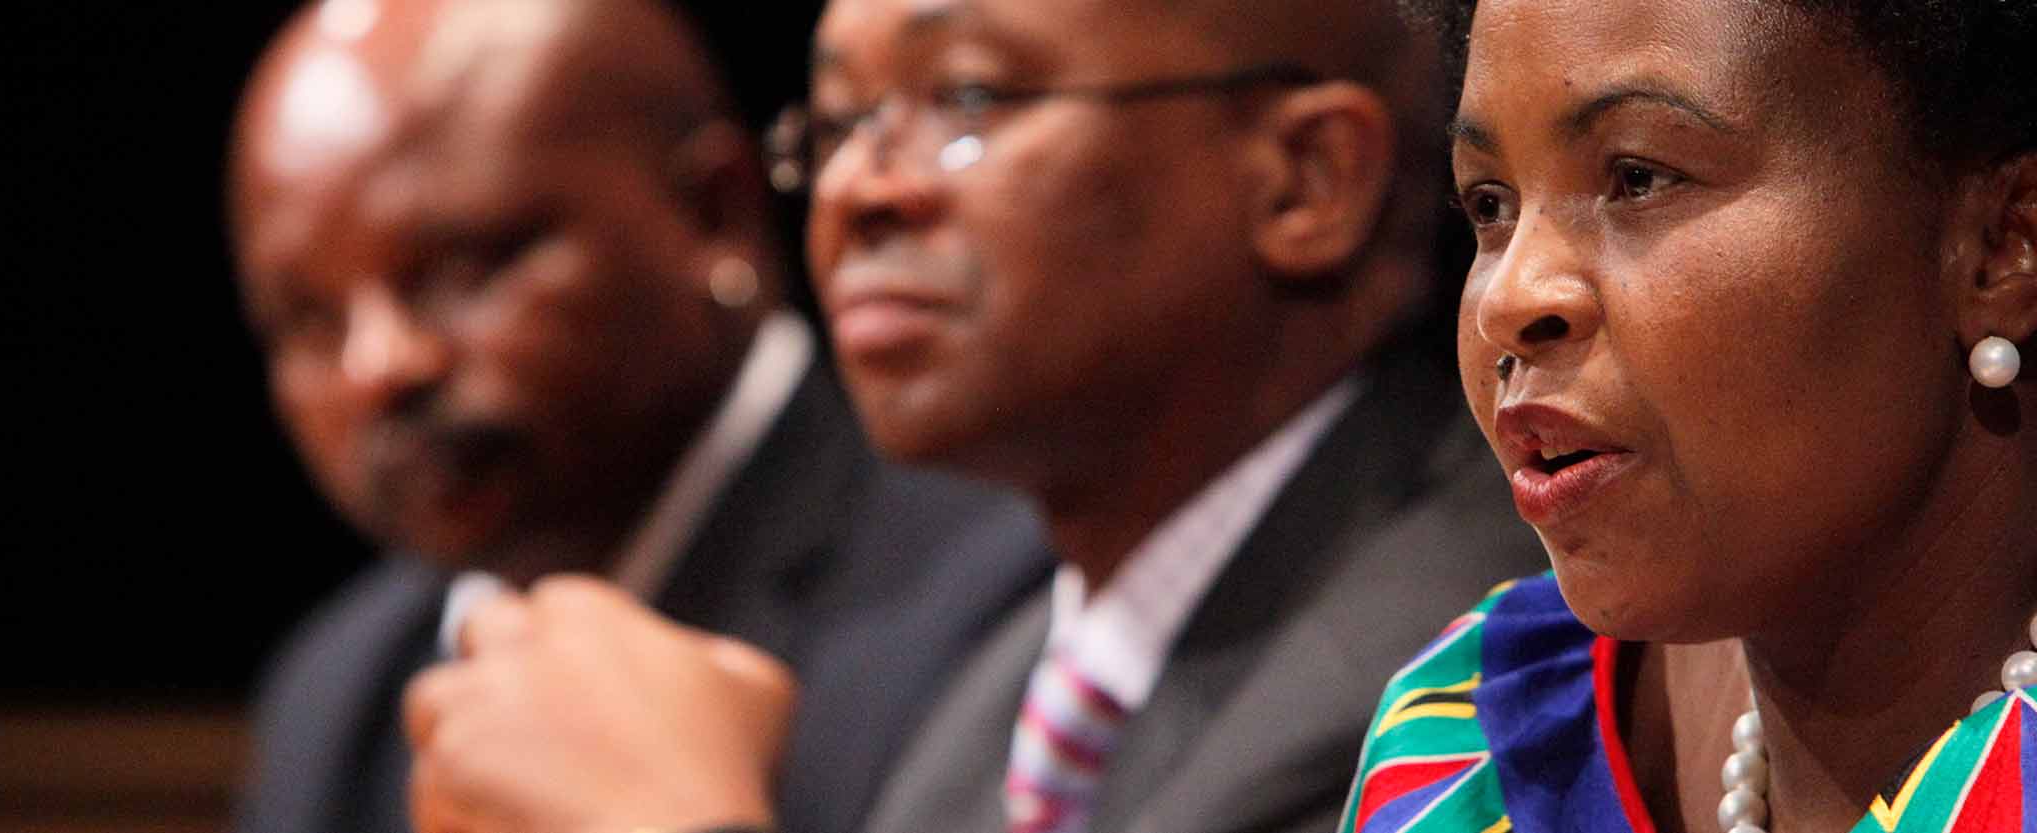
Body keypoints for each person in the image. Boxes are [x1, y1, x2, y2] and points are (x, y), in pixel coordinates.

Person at [396, 0, 1548, 831]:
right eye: (840, 121)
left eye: (967, 96)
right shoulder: (1006, 681)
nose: (859, 189)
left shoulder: (1482, 680)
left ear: (1306, 179)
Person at [1341, 1, 2037, 832]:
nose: (1509, 298)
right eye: (1489, 203)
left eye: (1639, 176)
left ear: (2008, 243)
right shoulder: (1477, 737)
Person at [224, 1, 1047, 831]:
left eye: (463, 266)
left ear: (711, 214)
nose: (379, 368)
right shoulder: (340, 693)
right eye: (308, 320)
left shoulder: (1005, 597)